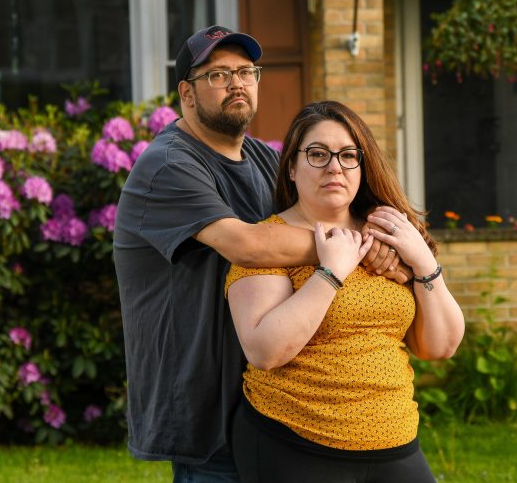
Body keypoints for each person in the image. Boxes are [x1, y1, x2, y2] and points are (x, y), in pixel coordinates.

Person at [114, 27, 405, 482]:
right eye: (219, 74)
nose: (238, 83)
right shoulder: (169, 165)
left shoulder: (262, 158)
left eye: (247, 72)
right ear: (186, 94)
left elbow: (306, 224)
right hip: (203, 405)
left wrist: (372, 242)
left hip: (268, 399)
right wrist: (362, 248)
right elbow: (249, 245)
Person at [225, 101, 466, 483]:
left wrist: (422, 262)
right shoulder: (266, 242)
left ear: (362, 165)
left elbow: (440, 347)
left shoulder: (388, 237)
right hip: (296, 442)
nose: (334, 167)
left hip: (395, 440)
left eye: (348, 155)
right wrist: (330, 273)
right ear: (291, 166)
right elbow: (264, 351)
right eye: (317, 154)